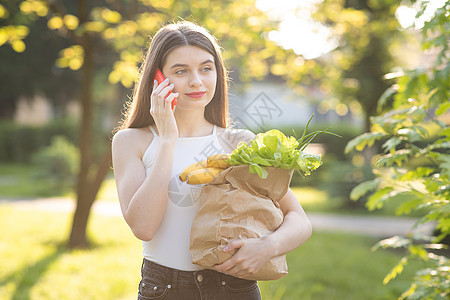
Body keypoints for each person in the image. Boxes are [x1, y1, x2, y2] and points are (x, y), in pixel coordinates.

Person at [112, 21, 312, 300]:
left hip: (234, 287)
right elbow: (143, 228)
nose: (197, 80)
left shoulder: (239, 143)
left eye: (206, 68)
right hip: (165, 289)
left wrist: (269, 246)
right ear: (157, 79)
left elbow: (300, 220)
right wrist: (168, 138)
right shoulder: (131, 141)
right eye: (181, 71)